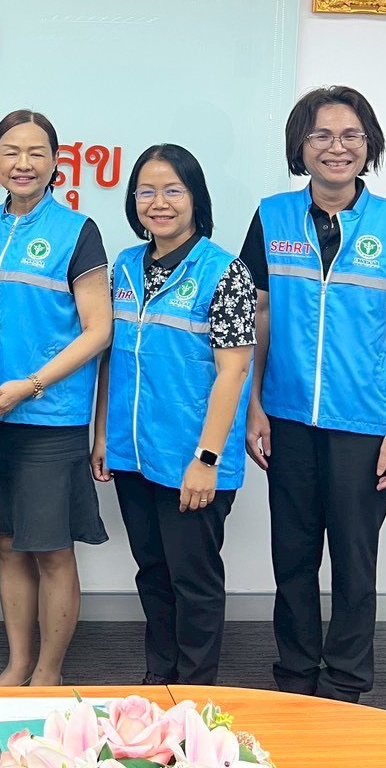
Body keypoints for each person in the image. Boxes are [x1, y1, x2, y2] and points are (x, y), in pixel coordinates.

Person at [240, 85, 386, 702]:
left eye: (351, 135)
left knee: (354, 560)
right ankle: (295, 675)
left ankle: (346, 682)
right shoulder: (272, 217)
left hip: (364, 423)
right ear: (300, 146)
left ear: (369, 145)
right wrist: (254, 405)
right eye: (321, 134)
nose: (336, 147)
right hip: (288, 416)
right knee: (292, 557)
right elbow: (258, 314)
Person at [0, 109, 112, 687]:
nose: (23, 163)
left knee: (52, 551)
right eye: (11, 151)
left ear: (56, 162)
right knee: (10, 545)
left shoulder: (77, 231)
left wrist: (32, 385)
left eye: (36, 152)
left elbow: (98, 330)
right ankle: (18, 664)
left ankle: (48, 672)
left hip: (51, 417)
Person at [91, 145, 256, 685]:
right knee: (153, 573)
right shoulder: (124, 266)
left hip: (191, 458)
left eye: (172, 191)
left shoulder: (225, 271)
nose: (158, 203)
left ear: (195, 199)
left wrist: (206, 459)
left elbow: (233, 372)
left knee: (194, 581)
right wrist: (103, 435)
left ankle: (193, 692)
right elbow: (112, 356)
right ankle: (159, 678)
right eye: (146, 191)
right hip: (132, 453)